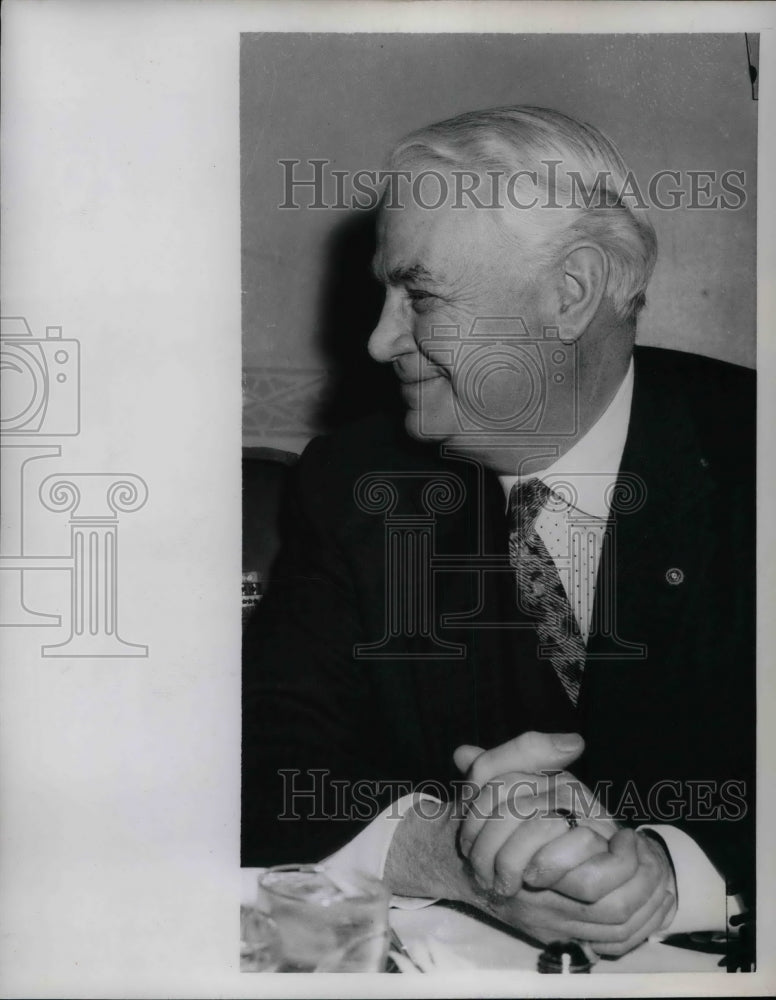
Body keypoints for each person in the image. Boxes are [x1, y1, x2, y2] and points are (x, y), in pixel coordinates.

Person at [242, 106, 755, 961]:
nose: (377, 340)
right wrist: (449, 848)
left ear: (570, 292)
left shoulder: (752, 455)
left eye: (421, 294)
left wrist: (672, 867)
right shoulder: (355, 483)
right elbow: (261, 759)